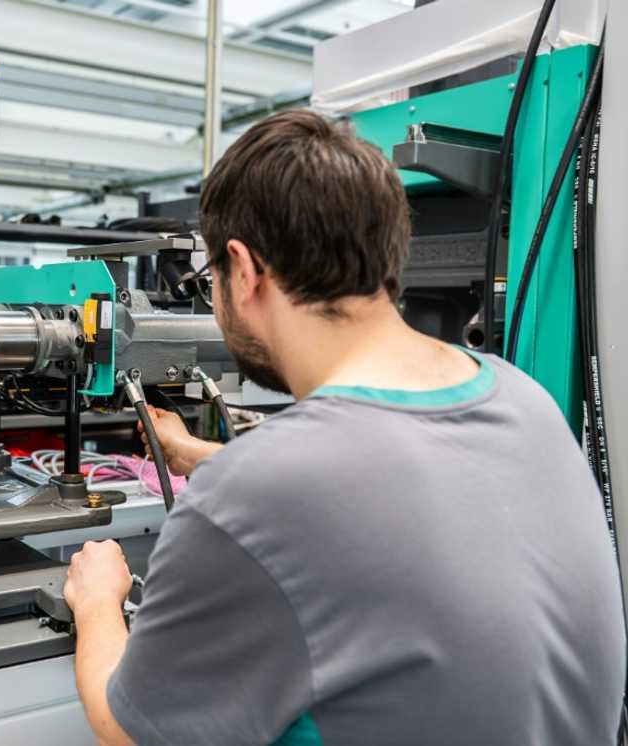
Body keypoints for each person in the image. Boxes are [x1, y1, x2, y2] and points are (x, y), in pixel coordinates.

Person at [63, 110, 626, 746]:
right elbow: (391, 496)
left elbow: (128, 729)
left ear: (245, 271)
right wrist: (199, 453)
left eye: (209, 280)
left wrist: (97, 600)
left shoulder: (257, 493)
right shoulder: (524, 401)